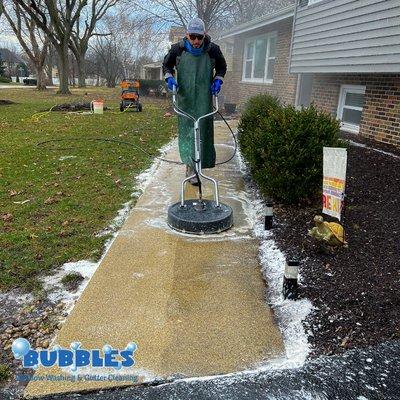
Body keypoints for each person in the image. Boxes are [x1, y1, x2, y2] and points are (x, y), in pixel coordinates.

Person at [162, 17, 227, 185]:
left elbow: (222, 66)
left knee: (203, 131)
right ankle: (190, 167)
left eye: (199, 37)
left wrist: (218, 79)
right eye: (193, 37)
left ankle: (200, 165)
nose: (196, 41)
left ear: (204, 35)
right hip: (185, 99)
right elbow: (166, 66)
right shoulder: (177, 50)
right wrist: (169, 78)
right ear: (187, 35)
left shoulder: (213, 50)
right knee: (188, 132)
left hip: (204, 99)